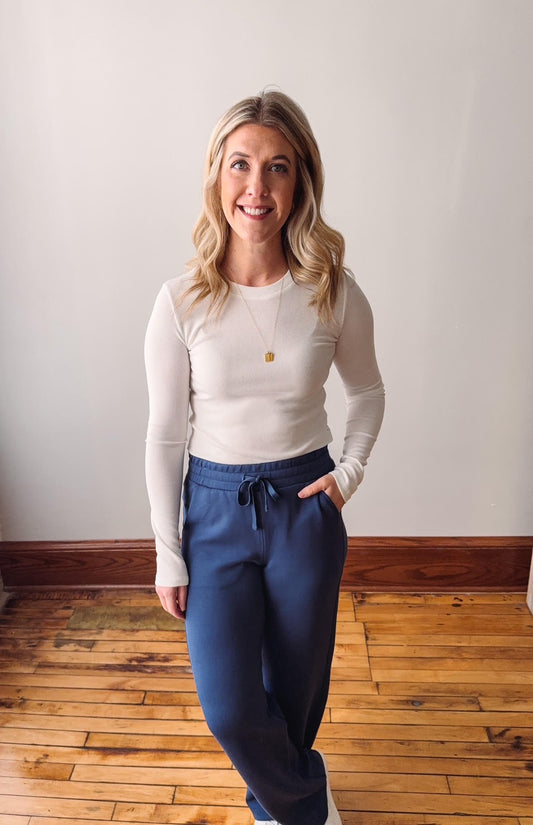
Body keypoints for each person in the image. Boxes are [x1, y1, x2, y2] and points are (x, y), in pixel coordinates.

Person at [144, 89, 385, 825]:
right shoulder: (181, 298)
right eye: (241, 164)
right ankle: (304, 802)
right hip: (213, 508)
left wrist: (347, 476)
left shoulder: (331, 291)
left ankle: (272, 803)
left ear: (300, 182)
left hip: (303, 503)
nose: (257, 187)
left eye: (277, 168)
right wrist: (167, 550)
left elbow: (368, 391)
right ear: (217, 175)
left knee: (298, 683)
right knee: (227, 703)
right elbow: (164, 432)